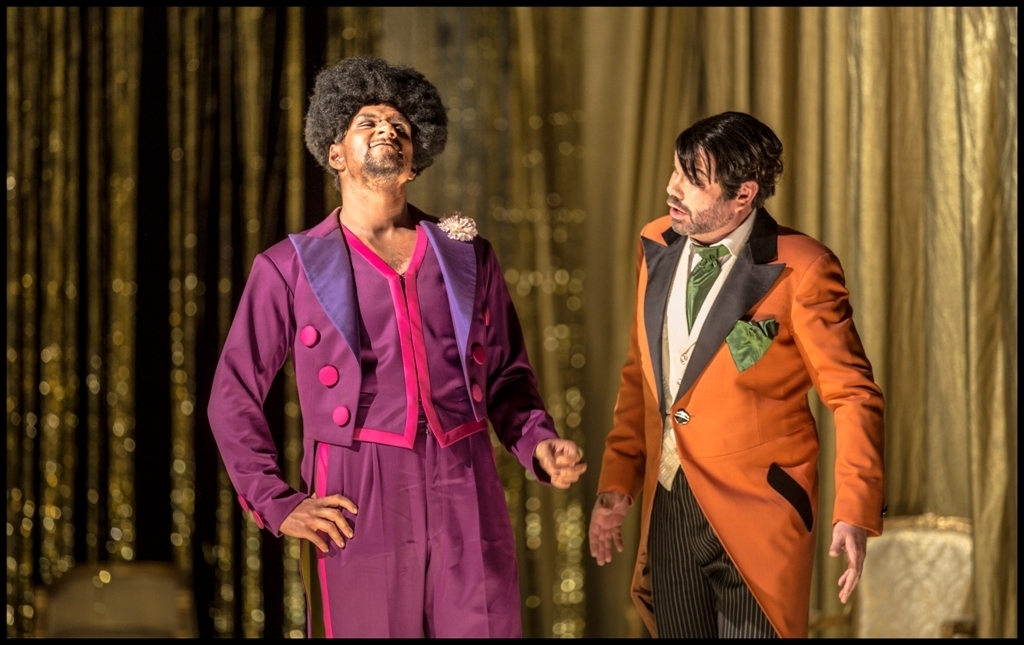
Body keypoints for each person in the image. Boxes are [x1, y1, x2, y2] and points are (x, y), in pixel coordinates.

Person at [207, 56, 586, 638]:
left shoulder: (468, 255)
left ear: (414, 159)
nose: (387, 129)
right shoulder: (288, 266)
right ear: (335, 153)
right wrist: (276, 501)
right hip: (356, 488)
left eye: (400, 127)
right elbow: (232, 396)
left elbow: (508, 377)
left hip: (465, 475)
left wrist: (538, 442)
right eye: (367, 122)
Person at [587, 111, 885, 638]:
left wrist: (854, 508)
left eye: (692, 179)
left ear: (743, 195)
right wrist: (617, 483)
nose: (671, 188)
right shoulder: (655, 243)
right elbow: (641, 377)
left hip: (760, 511)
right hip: (669, 504)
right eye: (675, 170)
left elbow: (854, 395)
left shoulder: (803, 267)